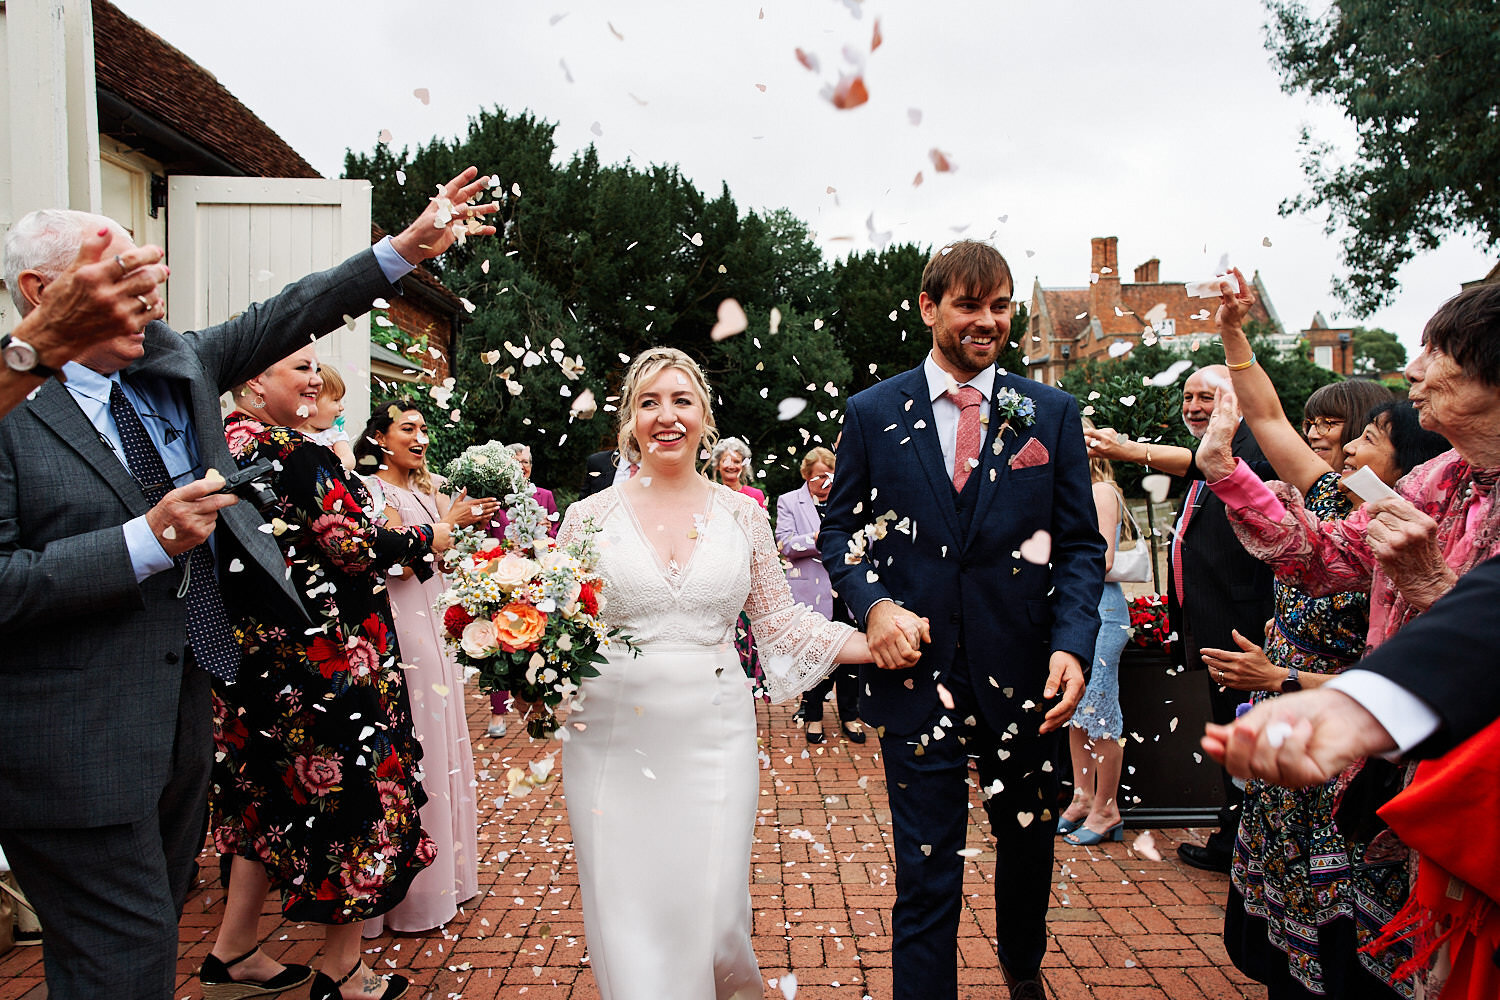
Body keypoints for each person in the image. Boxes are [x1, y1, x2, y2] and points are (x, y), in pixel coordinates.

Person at [0, 169, 493, 1000]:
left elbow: (288, 311)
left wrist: (403, 251)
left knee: (126, 941)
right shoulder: (12, 412)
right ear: (39, 292)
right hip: (72, 740)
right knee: (125, 951)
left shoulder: (172, 366)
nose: (149, 297)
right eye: (120, 282)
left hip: (181, 717)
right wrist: (144, 541)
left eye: (146, 277)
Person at [542, 347, 883, 1000]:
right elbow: (558, 633)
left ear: (704, 417)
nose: (666, 417)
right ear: (628, 421)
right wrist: (521, 665)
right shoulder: (586, 521)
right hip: (613, 740)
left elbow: (781, 625)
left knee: (716, 915)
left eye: (681, 401)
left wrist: (870, 645)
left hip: (715, 735)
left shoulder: (743, 516)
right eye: (649, 402)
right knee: (630, 913)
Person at [820, 240, 1105, 1000]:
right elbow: (840, 530)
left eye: (1000, 305)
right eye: (970, 305)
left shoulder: (1049, 412)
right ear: (928, 308)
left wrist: (1075, 644)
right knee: (926, 871)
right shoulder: (874, 412)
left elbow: (1080, 544)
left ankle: (1022, 967)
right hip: (917, 676)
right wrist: (875, 605)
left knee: (1027, 849)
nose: (988, 321)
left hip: (1027, 678)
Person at [1192, 271, 1453, 999]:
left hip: (1363, 752)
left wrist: (1280, 682)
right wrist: (1234, 333)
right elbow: (1271, 426)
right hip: (1303, 731)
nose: (1330, 445)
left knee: (1354, 939)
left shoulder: (1421, 504)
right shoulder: (1359, 502)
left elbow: (1420, 663)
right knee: (1285, 929)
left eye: (1363, 434)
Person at [1085, 364, 1276, 874]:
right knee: (1225, 733)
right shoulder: (1207, 455)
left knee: (1245, 736)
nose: (1193, 407)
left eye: (1206, 397)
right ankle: (1233, 836)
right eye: (1188, 397)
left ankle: (1243, 846)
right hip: (1208, 624)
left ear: (1235, 401)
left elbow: (1209, 470)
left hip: (1245, 627)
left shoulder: (1251, 451)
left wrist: (1125, 449)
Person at [355, 401, 498, 937]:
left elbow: (443, 554)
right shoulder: (373, 491)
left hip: (436, 623)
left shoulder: (428, 488)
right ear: (380, 437)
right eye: (407, 428)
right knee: (417, 742)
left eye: (423, 428)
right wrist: (445, 525)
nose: (419, 437)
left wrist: (464, 528)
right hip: (403, 629)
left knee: (443, 740)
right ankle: (410, 897)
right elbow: (391, 558)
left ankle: (448, 880)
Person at [0, 224, 168, 418]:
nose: (151, 308)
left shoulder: (171, 362)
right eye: (118, 281)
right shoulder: (11, 418)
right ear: (41, 290)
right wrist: (44, 339)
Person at [1057, 419, 1131, 847]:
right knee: (1077, 709)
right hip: (1077, 611)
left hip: (1102, 611)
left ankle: (1108, 807)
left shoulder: (1101, 492)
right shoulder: (1068, 490)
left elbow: (1099, 561)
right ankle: (1083, 796)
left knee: (1101, 714)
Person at [777, 446, 863, 744]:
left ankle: (850, 717)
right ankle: (813, 717)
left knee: (851, 658)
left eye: (830, 476)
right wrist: (815, 540)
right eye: (819, 477)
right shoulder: (789, 501)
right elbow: (785, 544)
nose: (826, 483)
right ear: (806, 476)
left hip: (848, 593)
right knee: (815, 658)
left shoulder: (848, 501)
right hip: (812, 595)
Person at [484, 441, 558, 737]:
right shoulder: (494, 500)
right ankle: (497, 711)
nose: (522, 467)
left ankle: (541, 709)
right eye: (516, 462)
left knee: (539, 643)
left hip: (537, 578)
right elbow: (487, 538)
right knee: (500, 645)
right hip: (502, 578)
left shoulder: (546, 496)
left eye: (526, 461)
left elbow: (555, 534)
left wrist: (544, 530)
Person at [305, 362, 356, 470]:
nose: (341, 407)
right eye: (336, 400)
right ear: (312, 400)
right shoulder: (290, 433)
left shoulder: (334, 433)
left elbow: (349, 460)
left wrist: (327, 467)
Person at [709, 436, 765, 507]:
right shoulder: (710, 496)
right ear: (717, 465)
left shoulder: (755, 495)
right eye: (726, 461)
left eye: (737, 462)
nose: (731, 466)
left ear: (743, 465)